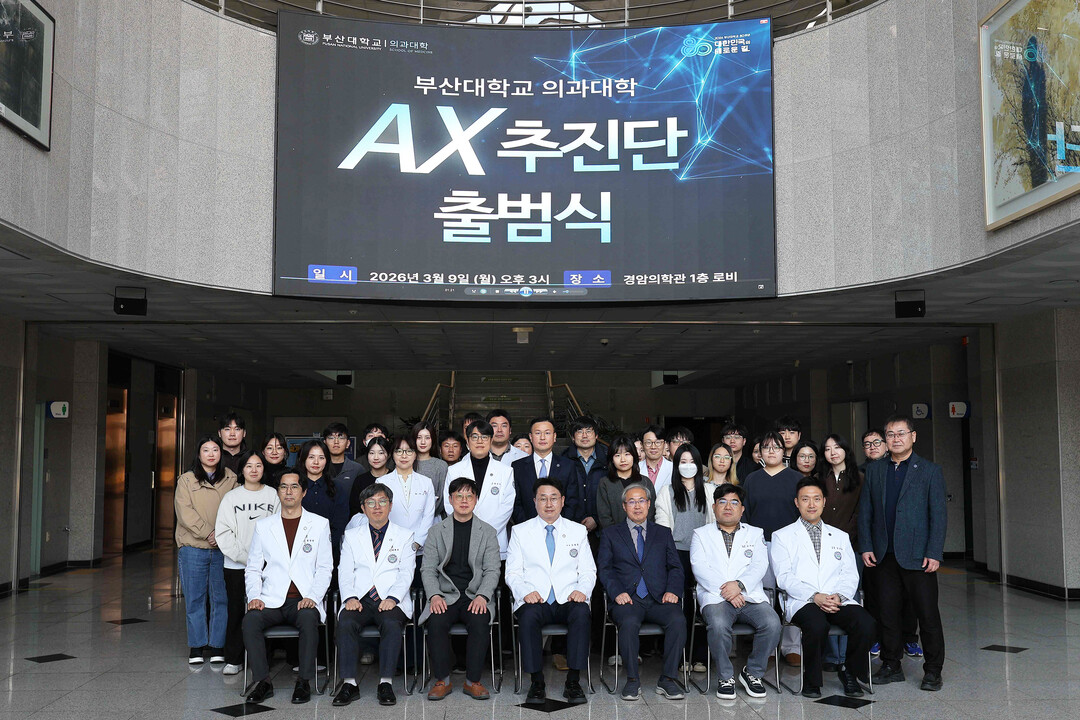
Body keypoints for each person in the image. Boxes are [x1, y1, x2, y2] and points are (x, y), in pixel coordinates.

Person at [858, 415, 946, 692]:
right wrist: (866, 545)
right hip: (883, 555)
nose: (896, 439)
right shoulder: (875, 471)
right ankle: (891, 665)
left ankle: (933, 671)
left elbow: (938, 515)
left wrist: (934, 551)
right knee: (887, 613)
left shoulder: (929, 471)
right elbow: (866, 511)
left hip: (919, 556)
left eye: (901, 433)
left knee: (927, 615)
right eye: (890, 434)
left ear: (913, 436)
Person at [771, 477, 876, 699]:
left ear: (824, 502)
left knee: (866, 623)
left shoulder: (840, 536)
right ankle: (812, 680)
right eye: (805, 499)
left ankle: (850, 672)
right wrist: (814, 596)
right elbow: (784, 577)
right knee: (817, 624)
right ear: (796, 502)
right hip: (802, 600)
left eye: (816, 499)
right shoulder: (782, 536)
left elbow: (850, 573)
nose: (811, 504)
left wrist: (838, 596)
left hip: (837, 598)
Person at [242, 472, 334, 705]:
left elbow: (325, 568)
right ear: (278, 492)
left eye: (294, 487)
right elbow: (253, 567)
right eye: (284, 487)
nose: (289, 492)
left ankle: (304, 681)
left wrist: (313, 597)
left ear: (303, 492)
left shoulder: (319, 524)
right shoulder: (264, 526)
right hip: (271, 598)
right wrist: (254, 596)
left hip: (303, 598)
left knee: (308, 618)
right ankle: (263, 681)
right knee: (250, 621)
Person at [506, 478, 595, 705]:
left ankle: (573, 682)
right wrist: (525, 592)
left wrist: (582, 590)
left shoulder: (577, 531)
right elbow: (512, 573)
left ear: (562, 501)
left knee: (581, 613)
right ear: (534, 501)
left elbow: (588, 571)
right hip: (535, 597)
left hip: (569, 596)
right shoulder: (520, 531)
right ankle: (536, 682)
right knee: (528, 617)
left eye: (554, 498)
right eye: (543, 498)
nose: (548, 504)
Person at [690, 483, 781, 700]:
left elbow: (759, 565)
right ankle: (725, 677)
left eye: (734, 502)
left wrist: (739, 586)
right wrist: (729, 591)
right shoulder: (701, 534)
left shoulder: (755, 533)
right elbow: (699, 567)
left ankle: (753, 673)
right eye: (722, 502)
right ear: (714, 507)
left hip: (749, 595)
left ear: (742, 509)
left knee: (772, 624)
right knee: (718, 624)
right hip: (716, 596)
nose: (728, 507)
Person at [597, 484, 686, 701]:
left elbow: (675, 567)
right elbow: (605, 569)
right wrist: (617, 592)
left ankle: (667, 679)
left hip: (659, 598)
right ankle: (632, 680)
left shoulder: (663, 533)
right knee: (628, 623)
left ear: (648, 504)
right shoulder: (610, 534)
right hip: (627, 599)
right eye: (632, 501)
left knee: (678, 620)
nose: (637, 506)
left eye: (641, 501)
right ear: (624, 506)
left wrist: (672, 590)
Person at [333, 483, 416, 707]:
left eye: (382, 502)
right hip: (360, 598)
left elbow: (406, 572)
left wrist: (393, 598)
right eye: (371, 503)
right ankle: (349, 683)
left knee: (390, 623)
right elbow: (344, 570)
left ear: (390, 505)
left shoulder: (405, 536)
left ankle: (385, 683)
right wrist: (349, 597)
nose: (377, 507)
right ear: (363, 508)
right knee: (346, 622)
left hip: (390, 598)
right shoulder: (351, 536)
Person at [421, 477, 501, 701]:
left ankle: (472, 681)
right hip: (445, 594)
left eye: (469, 496)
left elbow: (492, 570)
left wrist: (483, 596)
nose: (464, 501)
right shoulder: (437, 531)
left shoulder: (488, 532)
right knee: (436, 622)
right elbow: (428, 569)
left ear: (476, 500)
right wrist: (434, 595)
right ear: (450, 499)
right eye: (459, 496)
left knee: (480, 621)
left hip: (474, 594)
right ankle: (442, 681)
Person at [215, 451, 279, 675]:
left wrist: (264, 560)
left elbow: (279, 530)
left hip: (268, 567)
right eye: (249, 466)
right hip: (236, 566)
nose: (254, 470)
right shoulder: (231, 497)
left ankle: (263, 659)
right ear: (242, 469)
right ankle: (234, 659)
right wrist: (248, 558)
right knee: (236, 611)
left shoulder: (273, 495)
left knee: (265, 612)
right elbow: (223, 533)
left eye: (258, 465)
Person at [175, 435, 238, 665]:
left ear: (221, 453)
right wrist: (209, 533)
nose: (211, 454)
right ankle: (197, 645)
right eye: (206, 450)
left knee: (221, 598)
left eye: (215, 450)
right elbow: (185, 512)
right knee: (195, 599)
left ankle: (217, 645)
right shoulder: (186, 480)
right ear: (199, 454)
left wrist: (220, 535)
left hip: (223, 549)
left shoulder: (231, 478)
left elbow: (236, 510)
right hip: (193, 547)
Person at [742, 431, 802, 664]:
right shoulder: (752, 479)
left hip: (790, 546)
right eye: (766, 448)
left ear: (783, 451)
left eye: (776, 447)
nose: (771, 452)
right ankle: (765, 648)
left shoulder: (796, 478)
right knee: (763, 596)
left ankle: (791, 646)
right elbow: (745, 514)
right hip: (760, 545)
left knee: (791, 594)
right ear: (760, 453)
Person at [860, 427, 921, 659]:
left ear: (886, 445)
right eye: (867, 444)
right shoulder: (862, 472)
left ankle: (909, 639)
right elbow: (864, 512)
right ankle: (880, 640)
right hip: (876, 546)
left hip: (906, 546)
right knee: (877, 596)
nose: (873, 447)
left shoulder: (906, 469)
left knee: (909, 597)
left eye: (877, 442)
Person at [655, 443, 716, 672]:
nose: (688, 466)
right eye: (683, 462)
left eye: (692, 462)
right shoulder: (666, 491)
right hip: (676, 554)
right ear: (676, 465)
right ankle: (680, 656)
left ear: (699, 465)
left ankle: (700, 655)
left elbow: (714, 525)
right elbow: (662, 527)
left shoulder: (709, 491)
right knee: (680, 607)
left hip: (704, 555)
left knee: (702, 604)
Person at [354, 435, 435, 586]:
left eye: (409, 451)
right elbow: (379, 515)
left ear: (415, 454)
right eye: (399, 451)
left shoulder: (426, 482)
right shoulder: (382, 482)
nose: (404, 456)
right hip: (390, 546)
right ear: (392, 455)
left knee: (417, 588)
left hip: (419, 548)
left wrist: (417, 543)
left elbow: (428, 515)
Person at [820, 434, 864, 672]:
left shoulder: (859, 478)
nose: (833, 452)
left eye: (837, 447)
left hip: (850, 546)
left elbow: (861, 512)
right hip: (821, 547)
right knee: (825, 595)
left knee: (848, 595)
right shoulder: (819, 478)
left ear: (846, 449)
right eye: (827, 449)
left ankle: (846, 655)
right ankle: (831, 655)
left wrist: (847, 536)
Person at [442, 421, 516, 560]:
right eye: (475, 437)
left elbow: (507, 507)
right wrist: (467, 530)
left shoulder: (505, 471)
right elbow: (449, 503)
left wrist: (485, 533)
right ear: (467, 441)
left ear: (491, 440)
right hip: (462, 538)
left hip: (494, 539)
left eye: (484, 437)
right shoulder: (454, 470)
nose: (480, 441)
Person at [512, 417, 579, 523]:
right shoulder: (518, 466)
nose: (542, 437)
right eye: (538, 433)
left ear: (554, 437)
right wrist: (526, 526)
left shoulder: (568, 465)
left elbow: (572, 501)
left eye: (547, 433)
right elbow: (515, 502)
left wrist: (560, 525)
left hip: (560, 527)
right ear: (531, 437)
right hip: (527, 527)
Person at [297, 439, 350, 556]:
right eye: (311, 457)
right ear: (303, 459)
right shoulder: (295, 487)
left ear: (327, 461)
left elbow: (340, 522)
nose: (316, 462)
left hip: (329, 551)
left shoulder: (337, 488)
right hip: (297, 550)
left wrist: (326, 546)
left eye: (321, 458)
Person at [597, 435, 656, 529]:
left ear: (634, 456)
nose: (623, 459)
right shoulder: (605, 483)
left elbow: (651, 512)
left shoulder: (645, 482)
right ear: (612, 459)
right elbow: (604, 517)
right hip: (614, 535)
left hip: (643, 533)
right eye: (617, 455)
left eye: (627, 454)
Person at [563, 417, 608, 538]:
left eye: (588, 431)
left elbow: (613, 494)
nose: (584, 435)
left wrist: (596, 519)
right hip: (571, 527)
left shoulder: (608, 458)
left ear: (596, 435)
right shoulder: (564, 460)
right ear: (573, 437)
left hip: (603, 529)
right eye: (579, 431)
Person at [349, 437, 392, 519]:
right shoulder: (360, 480)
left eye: (381, 453)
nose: (376, 457)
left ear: (388, 455)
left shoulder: (394, 478)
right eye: (372, 453)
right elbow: (354, 510)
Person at [413, 422, 449, 519]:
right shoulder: (407, 463)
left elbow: (442, 498)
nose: (423, 442)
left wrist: (427, 515)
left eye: (427, 438)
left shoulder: (441, 465)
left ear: (433, 440)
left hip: (434, 518)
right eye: (419, 437)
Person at [323, 423, 363, 501]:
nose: (336, 441)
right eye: (331, 438)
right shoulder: (318, 467)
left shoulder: (357, 469)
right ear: (325, 443)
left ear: (348, 443)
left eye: (341, 437)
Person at [639, 425, 673, 495]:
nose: (653, 447)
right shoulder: (636, 468)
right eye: (648, 443)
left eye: (658, 442)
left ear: (665, 444)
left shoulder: (673, 468)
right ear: (642, 445)